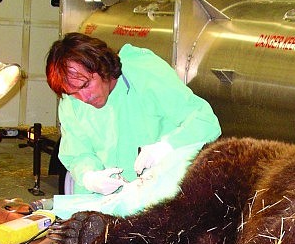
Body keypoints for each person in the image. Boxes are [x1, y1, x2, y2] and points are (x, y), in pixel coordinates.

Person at [45, 33, 221, 199]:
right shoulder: (71, 102)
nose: (83, 98)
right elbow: (77, 153)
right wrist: (90, 177)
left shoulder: (144, 72)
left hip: (158, 198)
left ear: (102, 66)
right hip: (104, 205)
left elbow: (204, 121)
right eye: (73, 93)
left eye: (85, 86)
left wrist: (166, 147)